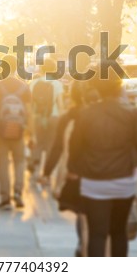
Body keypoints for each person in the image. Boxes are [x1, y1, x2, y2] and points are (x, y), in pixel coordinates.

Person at [68, 66, 137, 257]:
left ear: (97, 88)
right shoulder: (133, 114)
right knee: (119, 232)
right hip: (123, 181)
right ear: (119, 87)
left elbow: (74, 149)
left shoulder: (86, 114)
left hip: (93, 181)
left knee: (97, 234)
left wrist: (74, 170)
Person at [41, 81, 98, 257]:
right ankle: (89, 246)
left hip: (75, 171)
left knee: (82, 212)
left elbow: (58, 147)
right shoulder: (98, 115)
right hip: (98, 171)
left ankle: (83, 244)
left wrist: (47, 172)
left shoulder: (68, 117)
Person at [0, 54, 33, 210]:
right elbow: (29, 112)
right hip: (19, 130)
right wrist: (30, 131)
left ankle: (5, 198)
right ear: (16, 67)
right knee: (19, 161)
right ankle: (18, 193)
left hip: (1, 130)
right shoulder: (24, 87)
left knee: (2, 163)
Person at [29, 58, 63, 176]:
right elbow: (60, 104)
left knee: (38, 142)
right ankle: (46, 174)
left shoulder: (34, 83)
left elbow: (30, 103)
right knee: (50, 144)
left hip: (37, 116)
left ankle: (34, 166)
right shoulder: (57, 84)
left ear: (41, 69)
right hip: (53, 117)